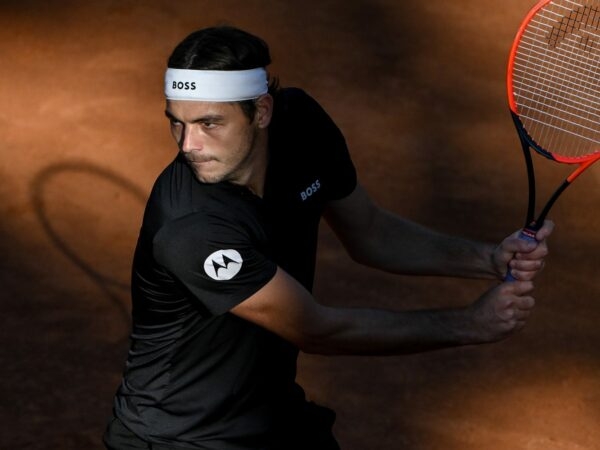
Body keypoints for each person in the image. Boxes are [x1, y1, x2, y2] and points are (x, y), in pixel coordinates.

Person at [103, 25, 554, 450]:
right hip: (177, 438)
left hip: (271, 417)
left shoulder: (302, 127)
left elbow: (371, 233)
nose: (187, 145)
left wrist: (487, 259)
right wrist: (469, 324)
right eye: (176, 122)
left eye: (209, 123)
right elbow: (315, 328)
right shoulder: (191, 226)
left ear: (261, 111)